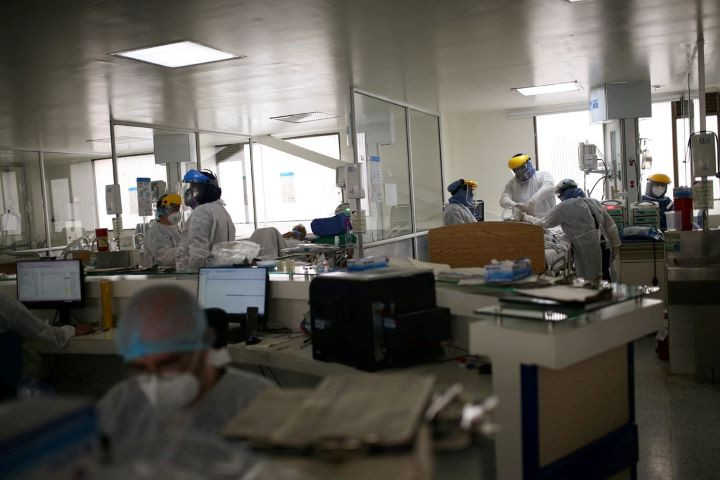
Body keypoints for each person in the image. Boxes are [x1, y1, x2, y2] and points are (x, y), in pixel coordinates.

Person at [97, 285, 272, 460]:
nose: (155, 380)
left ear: (203, 348)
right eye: (141, 368)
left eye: (168, 364)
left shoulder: (256, 401)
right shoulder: (120, 402)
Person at [522, 179, 621, 281]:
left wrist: (525, 217)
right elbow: (611, 226)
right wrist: (616, 245)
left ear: (562, 193)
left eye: (559, 195)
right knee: (606, 279)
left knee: (592, 283)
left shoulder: (564, 207)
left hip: (588, 250)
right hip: (606, 247)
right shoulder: (595, 202)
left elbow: (541, 224)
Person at [176, 169, 236, 271]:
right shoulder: (221, 210)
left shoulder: (202, 211)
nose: (189, 191)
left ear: (204, 189)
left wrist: (191, 273)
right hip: (220, 271)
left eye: (192, 186)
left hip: (202, 276)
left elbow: (198, 253)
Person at [500, 153, 556, 217]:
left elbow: (549, 187)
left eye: (522, 167)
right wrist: (515, 205)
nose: (520, 172)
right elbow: (503, 199)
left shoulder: (543, 175)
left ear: (529, 164)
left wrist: (533, 202)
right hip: (523, 223)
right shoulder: (512, 183)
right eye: (516, 170)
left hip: (546, 222)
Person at [144, 193, 182, 267]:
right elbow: (166, 257)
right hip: (160, 276)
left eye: (178, 208)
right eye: (174, 209)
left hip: (173, 275)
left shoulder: (174, 229)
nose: (177, 213)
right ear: (163, 210)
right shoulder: (156, 232)